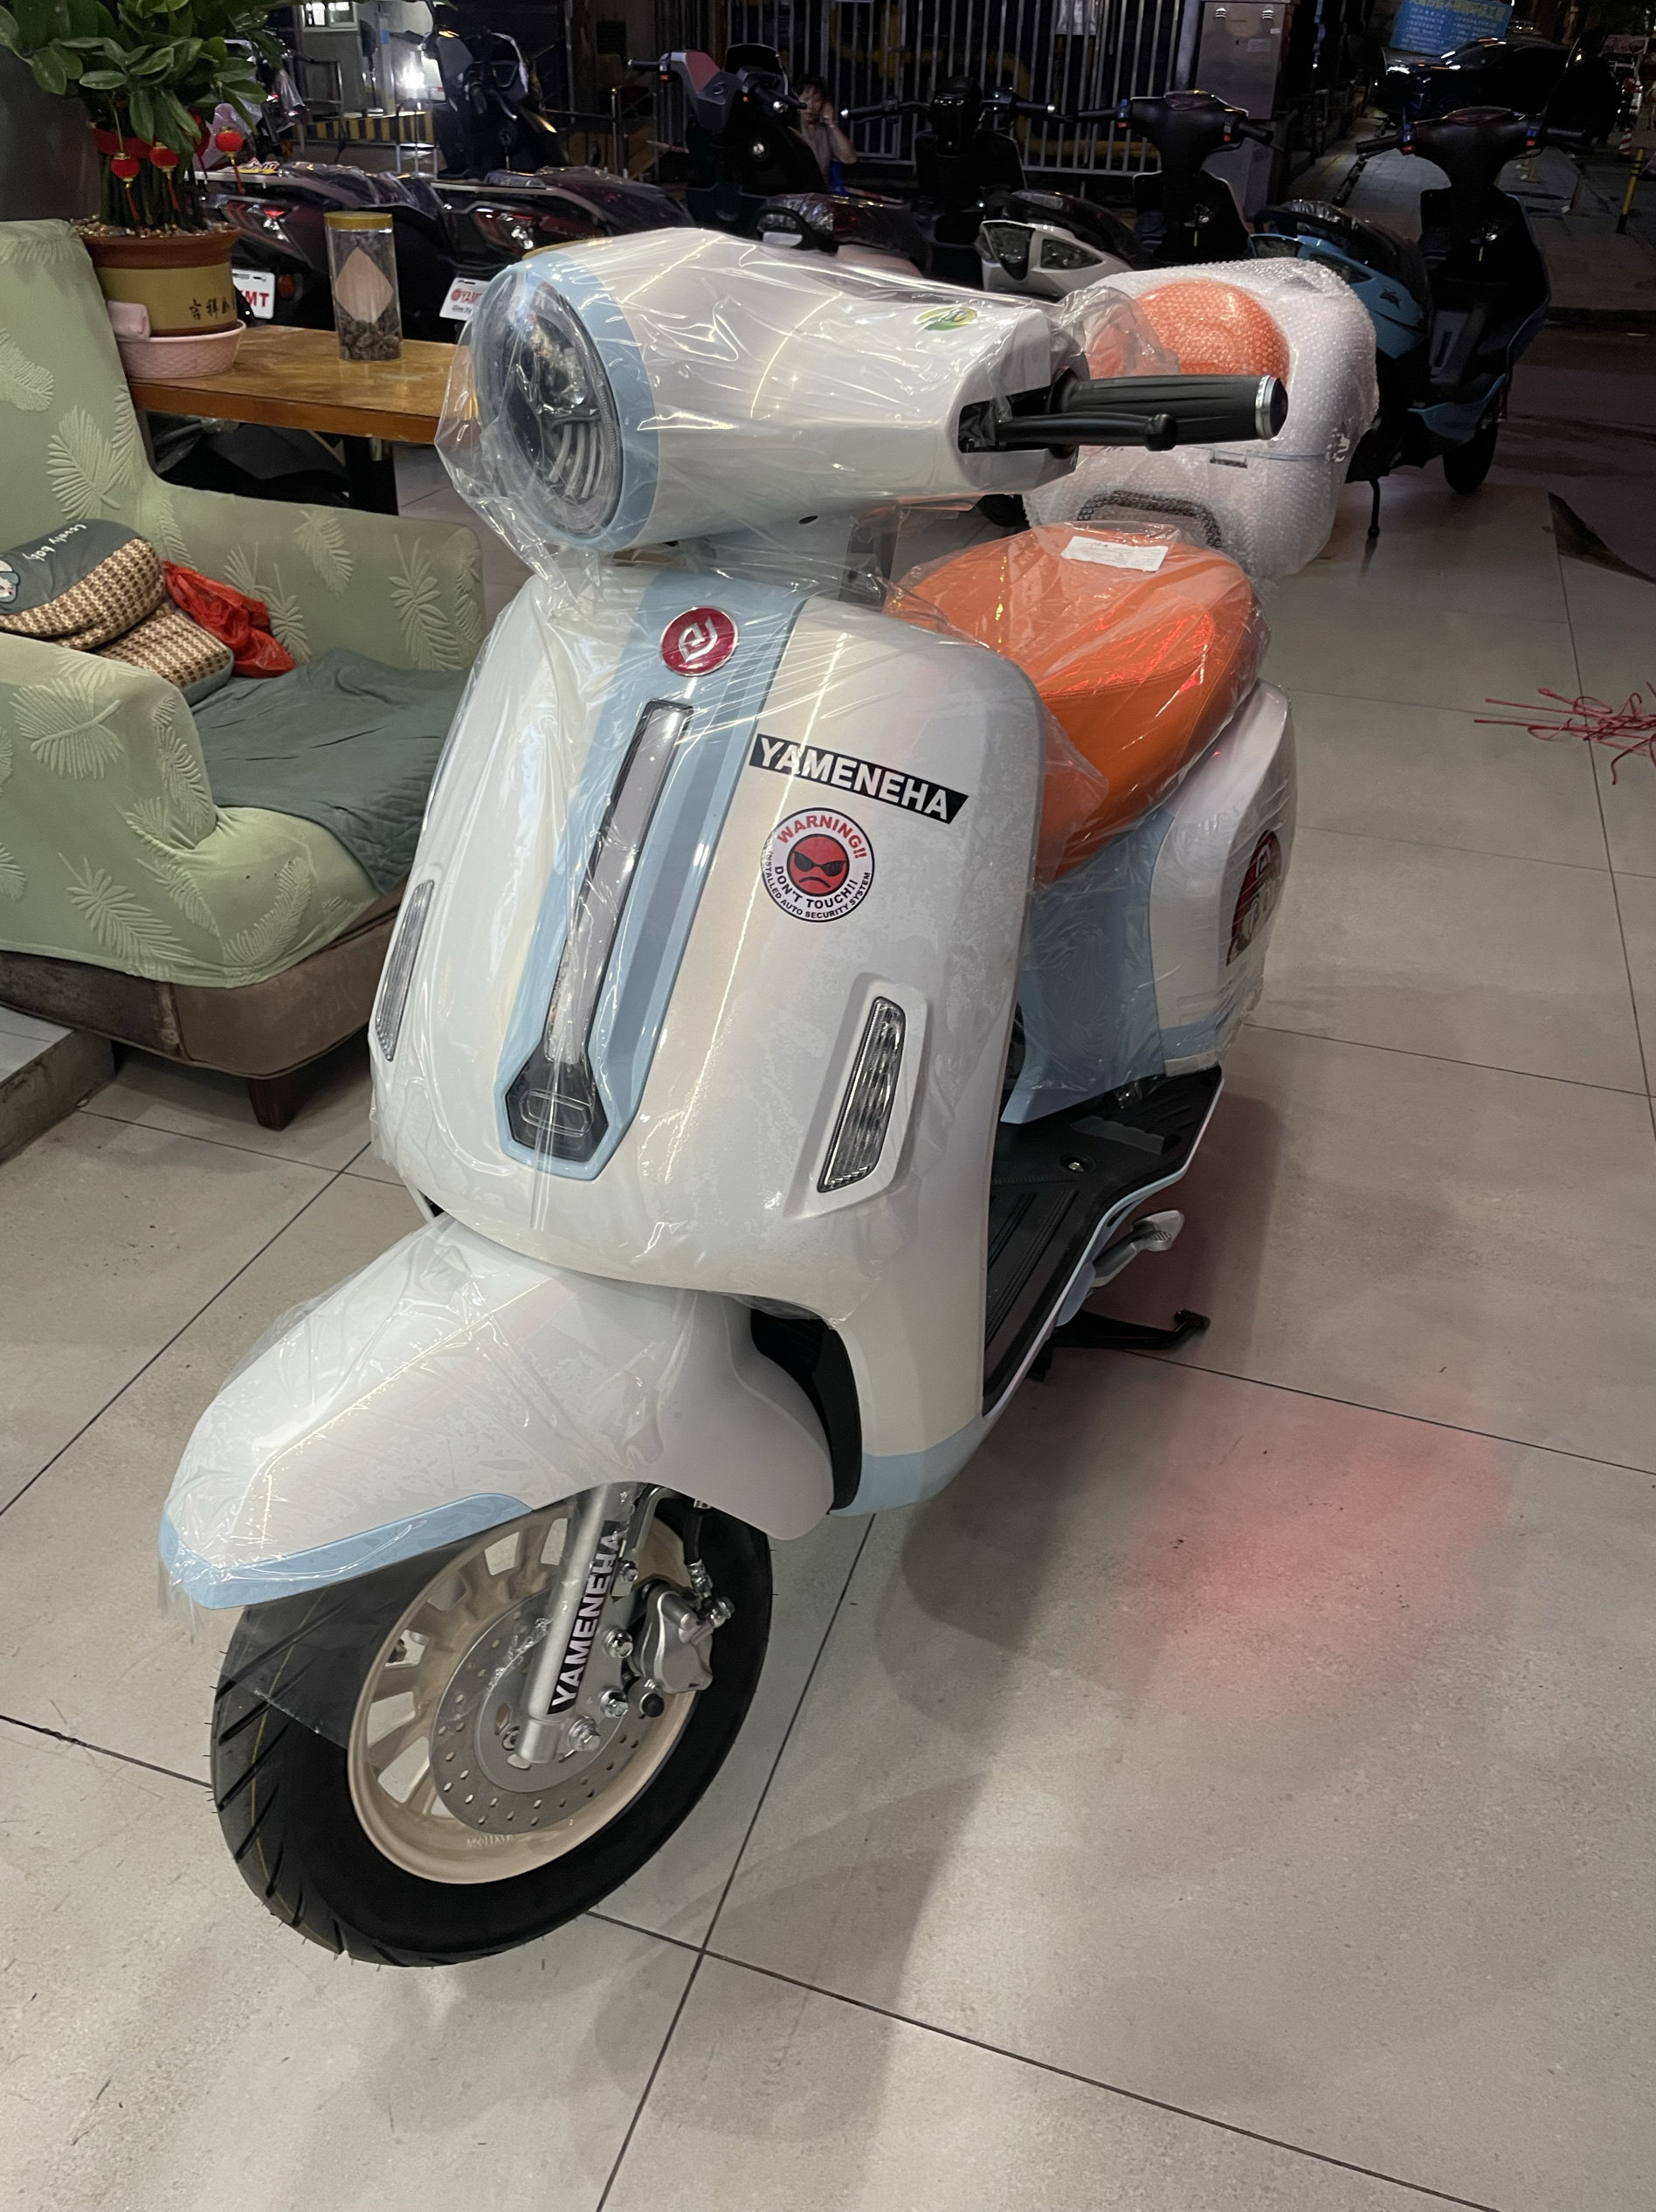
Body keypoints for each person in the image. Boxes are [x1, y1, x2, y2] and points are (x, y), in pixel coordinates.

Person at [797, 74, 856, 190]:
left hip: (820, 193)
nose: (811, 106)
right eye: (806, 99)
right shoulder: (790, 127)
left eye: (817, 101)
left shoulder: (825, 131)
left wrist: (832, 124)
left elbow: (849, 158)